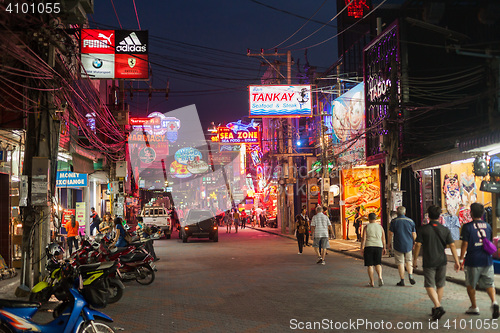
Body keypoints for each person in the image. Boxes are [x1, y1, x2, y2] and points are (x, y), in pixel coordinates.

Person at [413, 205, 460, 321]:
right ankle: (435, 308)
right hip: (442, 261)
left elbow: (418, 244)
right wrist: (457, 261)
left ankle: (437, 306)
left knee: (429, 285)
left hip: (429, 261)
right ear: (439, 216)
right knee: (440, 285)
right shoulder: (445, 230)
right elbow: (452, 245)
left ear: (428, 215)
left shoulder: (423, 229)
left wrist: (414, 259)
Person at [459, 202, 499, 318]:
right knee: (489, 284)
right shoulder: (488, 226)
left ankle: (474, 307)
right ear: (482, 213)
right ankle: (494, 302)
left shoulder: (467, 227)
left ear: (471, 213)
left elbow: (464, 244)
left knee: (471, 284)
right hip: (487, 259)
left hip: (473, 260)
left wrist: (461, 260)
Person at [388, 206, 417, 286]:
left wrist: (389, 243)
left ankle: (402, 280)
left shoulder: (394, 221)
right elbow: (414, 234)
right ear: (405, 213)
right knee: (409, 261)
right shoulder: (410, 221)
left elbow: (390, 233)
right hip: (408, 244)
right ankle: (410, 275)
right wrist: (415, 243)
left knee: (400, 262)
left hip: (398, 244)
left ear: (397, 213)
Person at [360, 213, 386, 287]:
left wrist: (362, 248)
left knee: (370, 265)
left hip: (369, 246)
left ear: (369, 219)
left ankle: (372, 282)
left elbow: (363, 238)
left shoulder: (366, 227)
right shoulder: (380, 227)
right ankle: (380, 277)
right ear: (375, 218)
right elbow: (383, 238)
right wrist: (384, 247)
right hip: (378, 246)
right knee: (378, 263)